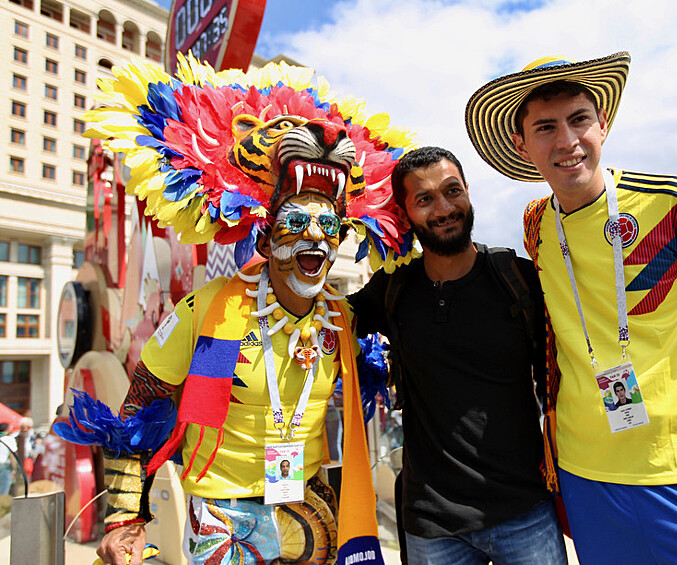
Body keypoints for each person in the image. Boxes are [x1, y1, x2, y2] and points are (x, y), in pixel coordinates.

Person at [55, 54, 417, 565]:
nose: (315, 236)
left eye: (328, 226)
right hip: (221, 521)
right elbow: (139, 411)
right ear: (266, 238)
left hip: (310, 510)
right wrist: (123, 519)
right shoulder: (206, 310)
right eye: (296, 221)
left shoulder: (343, 320)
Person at [465, 52, 677, 563]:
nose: (567, 141)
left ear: (604, 124)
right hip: (583, 474)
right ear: (521, 145)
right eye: (545, 127)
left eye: (579, 120)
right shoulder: (536, 225)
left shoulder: (676, 203)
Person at [349, 146, 568, 564]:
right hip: (432, 524)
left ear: (468, 191)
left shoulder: (517, 279)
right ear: (405, 213)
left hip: (525, 511)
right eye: (424, 199)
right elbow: (323, 321)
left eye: (452, 191)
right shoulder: (393, 288)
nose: (443, 208)